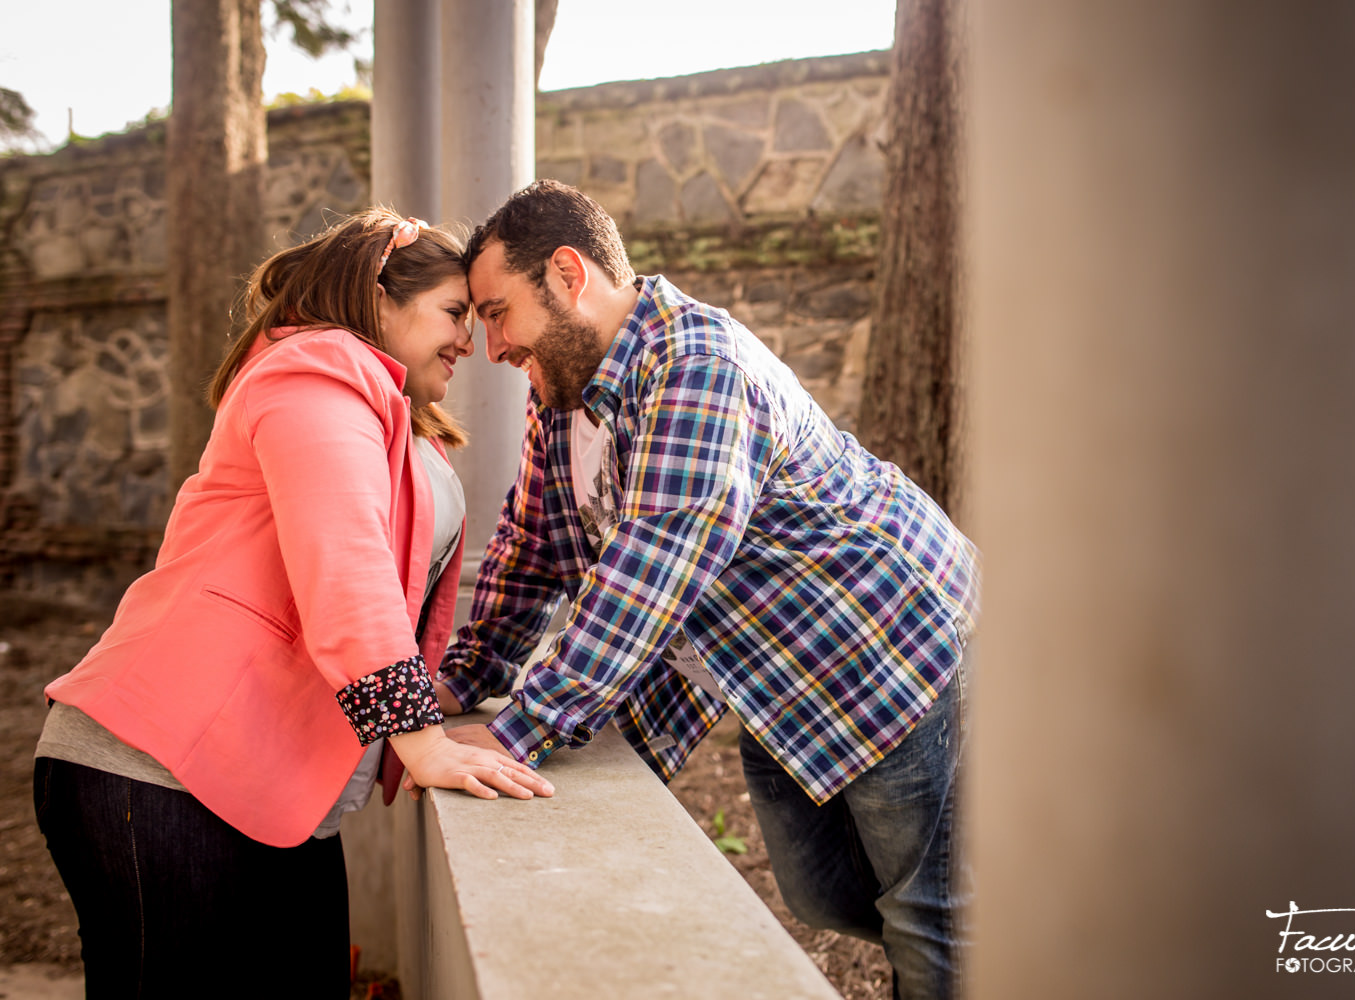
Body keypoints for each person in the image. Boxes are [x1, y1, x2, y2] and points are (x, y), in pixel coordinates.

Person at [435, 179, 979, 1000]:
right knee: (819, 893)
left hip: (895, 649)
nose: (491, 347)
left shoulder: (698, 367)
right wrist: (458, 684)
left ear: (569, 274)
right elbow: (531, 550)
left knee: (928, 919)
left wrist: (516, 734)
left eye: (498, 311)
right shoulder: (566, 395)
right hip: (776, 678)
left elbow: (648, 573)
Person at [33, 208, 553, 998]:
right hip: (154, 772)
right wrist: (419, 740)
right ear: (377, 297)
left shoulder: (397, 418)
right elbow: (343, 559)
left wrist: (447, 697)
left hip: (269, 791)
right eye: (454, 312)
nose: (469, 343)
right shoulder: (313, 372)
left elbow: (404, 594)